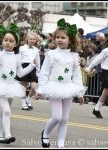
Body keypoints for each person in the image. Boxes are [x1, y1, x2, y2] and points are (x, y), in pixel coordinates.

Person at [35, 18, 86, 148]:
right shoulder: (51, 54)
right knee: (57, 117)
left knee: (65, 119)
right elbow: (44, 73)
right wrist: (40, 89)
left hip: (68, 88)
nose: (59, 39)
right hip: (53, 87)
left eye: (63, 37)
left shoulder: (74, 56)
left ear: (70, 40)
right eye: (57, 37)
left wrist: (80, 92)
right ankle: (45, 133)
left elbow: (76, 76)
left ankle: (61, 144)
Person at [0, 23, 36, 144]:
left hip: (11, 87)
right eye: (5, 40)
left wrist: (32, 65)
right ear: (2, 41)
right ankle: (8, 135)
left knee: (3, 112)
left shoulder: (16, 58)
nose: (7, 42)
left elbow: (21, 73)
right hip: (0, 86)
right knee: (6, 111)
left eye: (11, 41)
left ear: (15, 44)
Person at [85, 32, 108, 121]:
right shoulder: (106, 50)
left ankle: (96, 109)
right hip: (106, 73)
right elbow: (97, 60)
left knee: (105, 93)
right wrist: (89, 68)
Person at [16, 31, 40, 110]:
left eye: (34, 39)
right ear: (27, 39)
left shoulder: (36, 49)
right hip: (24, 67)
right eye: (31, 39)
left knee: (34, 86)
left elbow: (38, 61)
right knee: (23, 87)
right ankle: (23, 104)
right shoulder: (22, 48)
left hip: (32, 67)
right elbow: (18, 59)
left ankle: (28, 100)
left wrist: (38, 71)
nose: (32, 41)